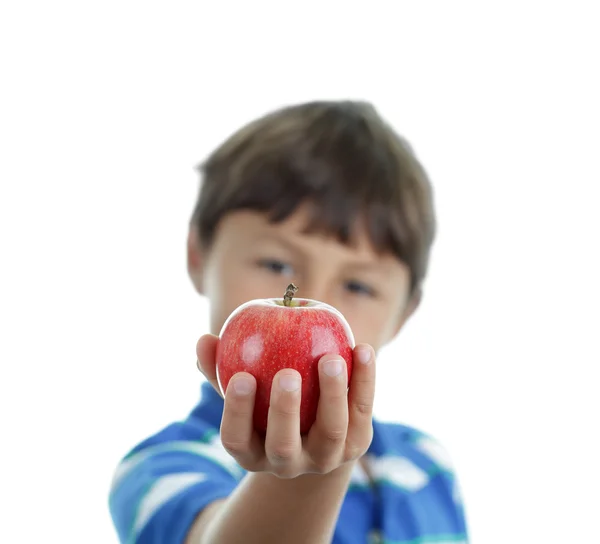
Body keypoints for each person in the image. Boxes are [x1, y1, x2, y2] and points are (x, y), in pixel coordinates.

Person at [108, 100, 469, 543]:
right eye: (277, 264)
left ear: (403, 315)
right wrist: (312, 475)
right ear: (198, 256)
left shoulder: (426, 465)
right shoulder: (163, 468)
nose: (315, 295)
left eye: (358, 287)